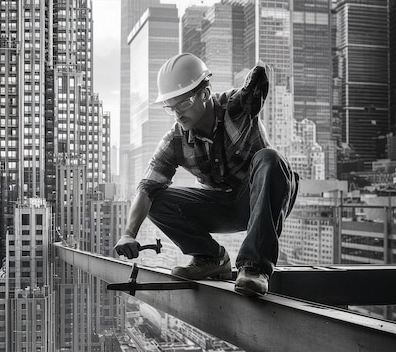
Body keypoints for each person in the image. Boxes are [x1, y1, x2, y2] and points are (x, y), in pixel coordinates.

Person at [114, 53, 299, 297]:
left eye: (183, 103)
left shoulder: (235, 107)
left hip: (263, 196)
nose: (178, 114)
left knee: (269, 158)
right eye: (171, 107)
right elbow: (147, 186)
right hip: (222, 206)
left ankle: (254, 269)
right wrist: (129, 233)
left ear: (205, 93)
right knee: (155, 199)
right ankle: (211, 258)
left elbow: (253, 93)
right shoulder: (175, 140)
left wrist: (257, 79)